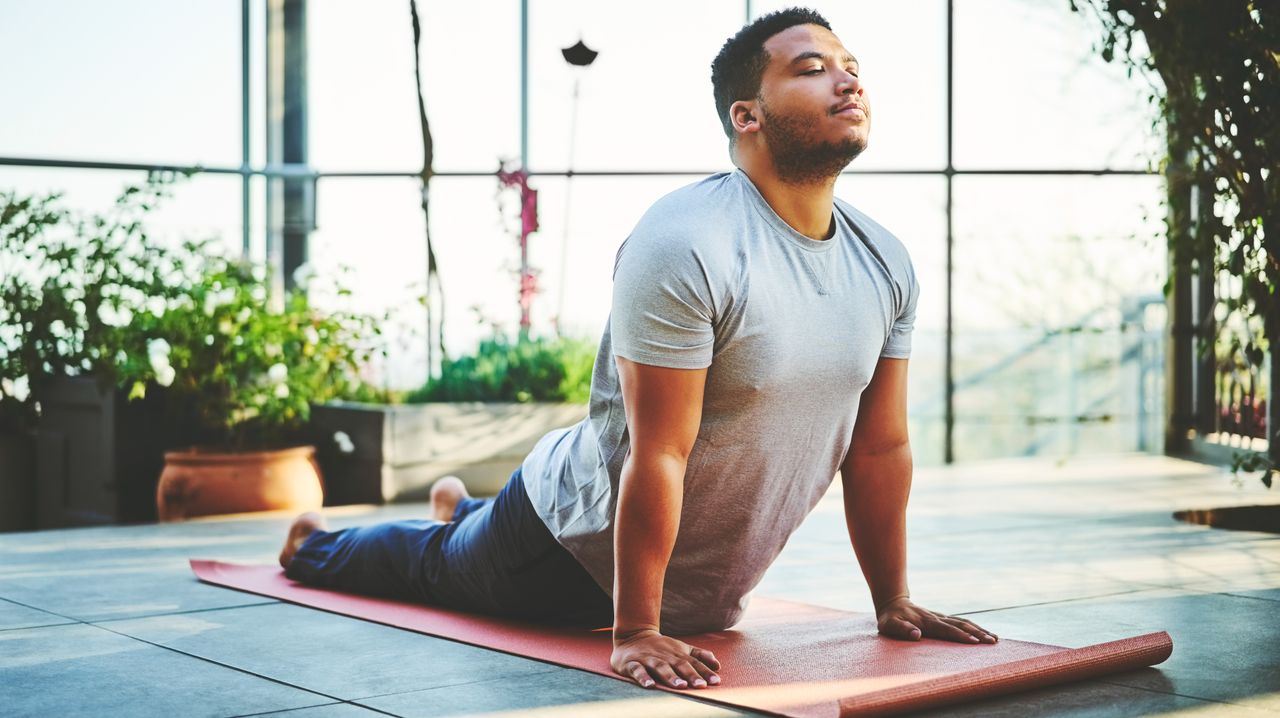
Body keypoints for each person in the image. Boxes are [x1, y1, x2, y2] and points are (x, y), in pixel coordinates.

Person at [278, 6, 998, 691]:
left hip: (693, 580)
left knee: (461, 539)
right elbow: (660, 450)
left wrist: (893, 599)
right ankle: (317, 542)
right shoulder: (686, 239)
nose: (849, 80)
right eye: (812, 68)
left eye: (851, 65)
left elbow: (878, 448)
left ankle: (460, 508)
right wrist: (635, 629)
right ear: (746, 115)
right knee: (435, 568)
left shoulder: (884, 259)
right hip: (567, 545)